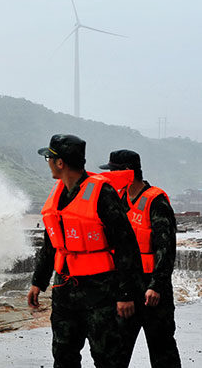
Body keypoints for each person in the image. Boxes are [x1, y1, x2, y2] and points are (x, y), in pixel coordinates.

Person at [27, 134, 143, 368]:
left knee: (106, 357)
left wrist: (126, 294)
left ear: (60, 163)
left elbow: (126, 245)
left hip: (100, 292)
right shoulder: (56, 195)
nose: (47, 162)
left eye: (49, 158)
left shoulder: (102, 193)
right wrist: (38, 282)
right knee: (63, 355)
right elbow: (51, 244)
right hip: (64, 290)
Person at [100, 150, 181, 367]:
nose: (109, 176)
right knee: (116, 351)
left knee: (162, 349)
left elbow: (166, 248)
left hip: (153, 291)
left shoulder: (155, 201)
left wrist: (157, 285)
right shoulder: (119, 200)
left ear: (127, 172)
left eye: (113, 171)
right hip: (127, 288)